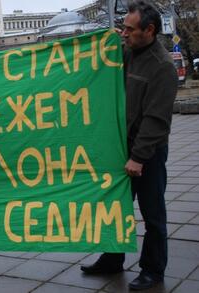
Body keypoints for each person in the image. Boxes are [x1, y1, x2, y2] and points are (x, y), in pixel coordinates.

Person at [80, 1, 177, 291]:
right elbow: (103, 62)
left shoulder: (162, 67)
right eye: (123, 28)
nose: (124, 33)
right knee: (115, 207)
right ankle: (112, 260)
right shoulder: (130, 52)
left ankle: (153, 270)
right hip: (122, 149)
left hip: (146, 154)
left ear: (149, 30)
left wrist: (138, 158)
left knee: (153, 214)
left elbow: (156, 121)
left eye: (130, 30)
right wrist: (105, 41)